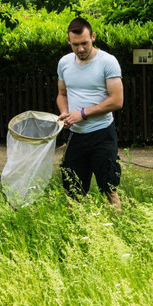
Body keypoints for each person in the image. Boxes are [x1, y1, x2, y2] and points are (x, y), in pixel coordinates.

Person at [57, 17, 124, 213]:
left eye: (84, 43)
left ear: (93, 37)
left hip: (102, 133)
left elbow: (117, 100)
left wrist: (83, 114)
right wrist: (64, 113)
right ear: (69, 41)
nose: (80, 49)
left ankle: (118, 231)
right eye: (75, 44)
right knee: (73, 190)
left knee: (109, 187)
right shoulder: (64, 63)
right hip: (76, 136)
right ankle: (77, 233)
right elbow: (62, 94)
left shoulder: (108, 62)